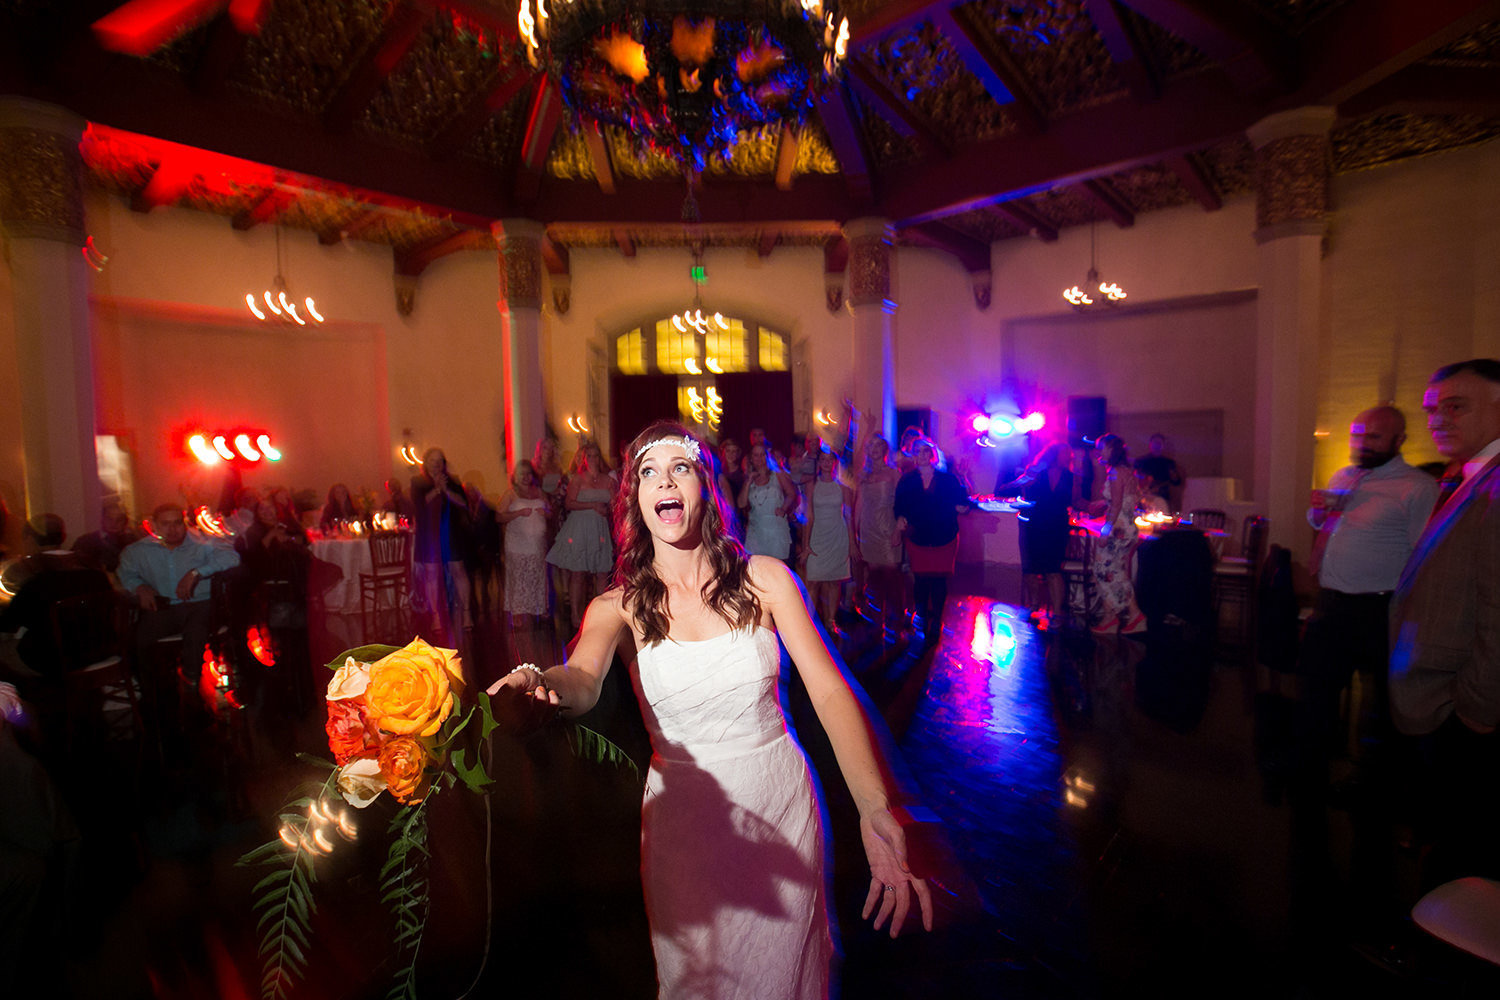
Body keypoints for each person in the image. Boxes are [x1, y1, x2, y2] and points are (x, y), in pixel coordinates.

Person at [488, 422, 933, 999]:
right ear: (636, 500)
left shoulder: (767, 581)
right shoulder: (615, 607)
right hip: (682, 825)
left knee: (781, 979)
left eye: (680, 467)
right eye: (648, 472)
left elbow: (828, 693)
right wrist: (538, 683)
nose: (664, 480)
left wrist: (874, 808)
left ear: (706, 486)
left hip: (780, 809)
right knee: (695, 982)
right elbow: (581, 680)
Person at [1388, 358, 1500, 886]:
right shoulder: (1473, 477)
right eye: (1433, 409)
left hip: (1465, 710)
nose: (1438, 419)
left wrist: (1475, 712)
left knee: (1468, 855)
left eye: (1456, 406)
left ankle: (1448, 957)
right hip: (1450, 699)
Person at [1302, 406, 1436, 776]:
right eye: (1358, 435)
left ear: (1400, 440)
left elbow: (1423, 553)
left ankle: (1373, 779)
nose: (1362, 443)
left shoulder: (1417, 486)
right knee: (1318, 689)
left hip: (1377, 607)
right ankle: (1315, 768)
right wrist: (1317, 512)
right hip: (1330, 602)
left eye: (1374, 437)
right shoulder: (1346, 474)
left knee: (1378, 700)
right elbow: (1328, 524)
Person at [118, 503, 241, 700]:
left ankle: (191, 685)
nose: (173, 529)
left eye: (177, 523)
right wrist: (140, 587)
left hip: (201, 603)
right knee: (139, 639)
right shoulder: (139, 551)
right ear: (154, 526)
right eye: (166, 524)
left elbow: (231, 557)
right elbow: (125, 573)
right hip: (164, 606)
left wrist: (197, 573)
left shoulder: (201, 542)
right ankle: (151, 693)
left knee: (196, 629)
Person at [0, 515, 113, 678]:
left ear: (30, 539)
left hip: (54, 658)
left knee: (5, 651)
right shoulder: (95, 572)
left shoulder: (32, 577)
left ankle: (38, 700)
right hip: (101, 648)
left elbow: (10, 623)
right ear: (63, 536)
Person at [894, 438, 973, 647]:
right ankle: (921, 617)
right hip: (918, 538)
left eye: (925, 452)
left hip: (943, 537)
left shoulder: (948, 479)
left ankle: (936, 619)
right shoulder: (907, 480)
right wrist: (900, 518)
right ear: (914, 455)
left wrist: (963, 483)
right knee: (920, 579)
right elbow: (899, 506)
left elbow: (963, 503)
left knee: (939, 580)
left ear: (932, 455)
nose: (921, 455)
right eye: (918, 452)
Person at [546, 439, 615, 633]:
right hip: (580, 528)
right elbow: (568, 503)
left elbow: (617, 503)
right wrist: (592, 506)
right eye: (589, 456)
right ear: (583, 459)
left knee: (602, 572)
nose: (593, 459)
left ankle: (602, 615)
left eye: (595, 455)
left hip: (600, 529)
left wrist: (607, 509)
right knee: (578, 573)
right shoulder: (577, 479)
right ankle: (576, 615)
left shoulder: (608, 480)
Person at [1005, 442, 1076, 627]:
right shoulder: (1035, 471)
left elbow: (1076, 501)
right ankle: (1034, 605)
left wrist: (1097, 506)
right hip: (1033, 525)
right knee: (1030, 569)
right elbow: (1015, 487)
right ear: (1054, 454)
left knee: (1053, 569)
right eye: (1065, 453)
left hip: (1056, 526)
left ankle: (1058, 613)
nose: (1069, 456)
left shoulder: (1070, 476)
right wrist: (1020, 486)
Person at [410, 448, 472, 647]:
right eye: (432, 460)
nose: (436, 464)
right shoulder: (418, 484)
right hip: (429, 536)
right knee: (432, 575)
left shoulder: (452, 481)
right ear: (425, 463)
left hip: (451, 534)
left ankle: (466, 612)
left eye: (440, 461)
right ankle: (436, 615)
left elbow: (464, 504)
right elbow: (418, 508)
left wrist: (446, 490)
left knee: (458, 571)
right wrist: (436, 489)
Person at [1086, 434, 1144, 635]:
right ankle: (1115, 616)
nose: (1098, 451)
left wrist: (1105, 531)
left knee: (1103, 570)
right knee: (1114, 571)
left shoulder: (1115, 472)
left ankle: (1126, 615)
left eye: (1101, 447)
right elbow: (1126, 501)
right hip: (1127, 527)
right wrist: (1104, 504)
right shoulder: (1127, 471)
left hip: (1118, 529)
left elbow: (1117, 504)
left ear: (1111, 449)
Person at [800, 449, 856, 636]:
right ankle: (808, 623)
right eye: (822, 459)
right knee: (813, 581)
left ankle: (831, 621)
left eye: (829, 459)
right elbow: (809, 515)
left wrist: (852, 543)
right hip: (817, 537)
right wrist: (806, 544)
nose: (826, 462)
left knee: (833, 582)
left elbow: (849, 516)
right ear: (819, 463)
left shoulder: (844, 489)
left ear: (835, 462)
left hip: (837, 538)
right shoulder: (812, 485)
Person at [854, 434, 903, 636]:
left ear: (884, 450)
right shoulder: (862, 476)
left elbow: (902, 504)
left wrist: (899, 528)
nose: (873, 448)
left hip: (888, 527)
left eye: (878, 445)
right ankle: (878, 622)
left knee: (892, 574)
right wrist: (855, 532)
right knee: (874, 577)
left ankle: (897, 621)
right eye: (870, 445)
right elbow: (858, 505)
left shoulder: (894, 474)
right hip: (868, 528)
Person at [498, 459, 551, 627]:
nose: (525, 477)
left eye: (528, 473)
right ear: (515, 476)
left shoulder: (539, 492)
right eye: (522, 474)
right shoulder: (510, 494)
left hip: (537, 545)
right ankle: (518, 611)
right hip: (517, 544)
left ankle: (539, 608)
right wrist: (519, 513)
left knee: (537, 575)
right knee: (518, 577)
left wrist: (546, 512)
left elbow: (551, 512)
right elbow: (499, 516)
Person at [739, 441, 796, 561]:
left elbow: (792, 494)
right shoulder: (748, 478)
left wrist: (784, 508)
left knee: (778, 569)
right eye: (756, 455)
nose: (759, 458)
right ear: (751, 458)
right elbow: (741, 503)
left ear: (767, 456)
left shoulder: (777, 474)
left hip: (776, 530)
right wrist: (748, 481)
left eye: (762, 454)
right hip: (756, 532)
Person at [70, 500, 141, 579]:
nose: (114, 523)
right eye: (109, 519)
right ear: (102, 519)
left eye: (119, 519)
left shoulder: (133, 542)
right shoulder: (85, 541)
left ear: (125, 521)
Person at [1133, 433, 1182, 507]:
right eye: (1155, 443)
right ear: (1150, 444)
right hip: (1144, 498)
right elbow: (1134, 480)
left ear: (1163, 446)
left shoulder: (1169, 463)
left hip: (1162, 498)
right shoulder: (1140, 461)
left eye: (1159, 443)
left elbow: (1176, 482)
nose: (1157, 445)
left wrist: (1173, 476)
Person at [716, 438, 747, 536]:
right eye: (728, 451)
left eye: (734, 451)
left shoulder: (742, 474)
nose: (731, 454)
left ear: (738, 453)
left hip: (737, 518)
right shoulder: (717, 472)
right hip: (720, 516)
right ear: (723, 452)